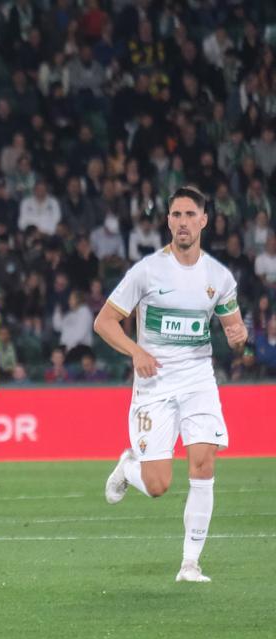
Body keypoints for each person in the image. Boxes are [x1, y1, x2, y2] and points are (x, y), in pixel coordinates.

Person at [97, 186, 248, 583]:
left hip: (198, 379)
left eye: (189, 214)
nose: (182, 222)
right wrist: (136, 352)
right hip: (155, 384)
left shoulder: (219, 277)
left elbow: (234, 327)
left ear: (204, 220)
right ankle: (129, 466)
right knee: (158, 484)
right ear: (168, 221)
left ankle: (190, 564)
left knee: (203, 462)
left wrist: (238, 337)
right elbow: (104, 322)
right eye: (176, 215)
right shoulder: (147, 271)